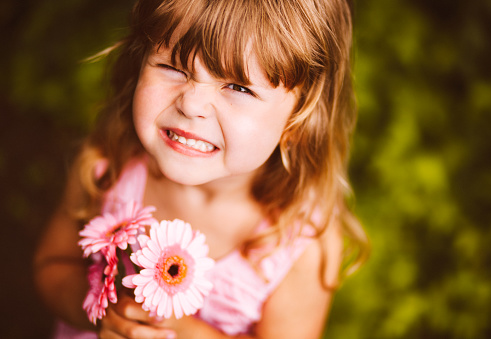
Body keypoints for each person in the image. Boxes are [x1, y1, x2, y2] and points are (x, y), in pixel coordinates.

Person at [34, 0, 369, 338]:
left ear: (298, 121)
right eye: (173, 67)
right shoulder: (105, 170)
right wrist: (96, 307)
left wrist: (182, 331)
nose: (191, 104)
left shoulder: (296, 247)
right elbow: (52, 266)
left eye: (238, 87)